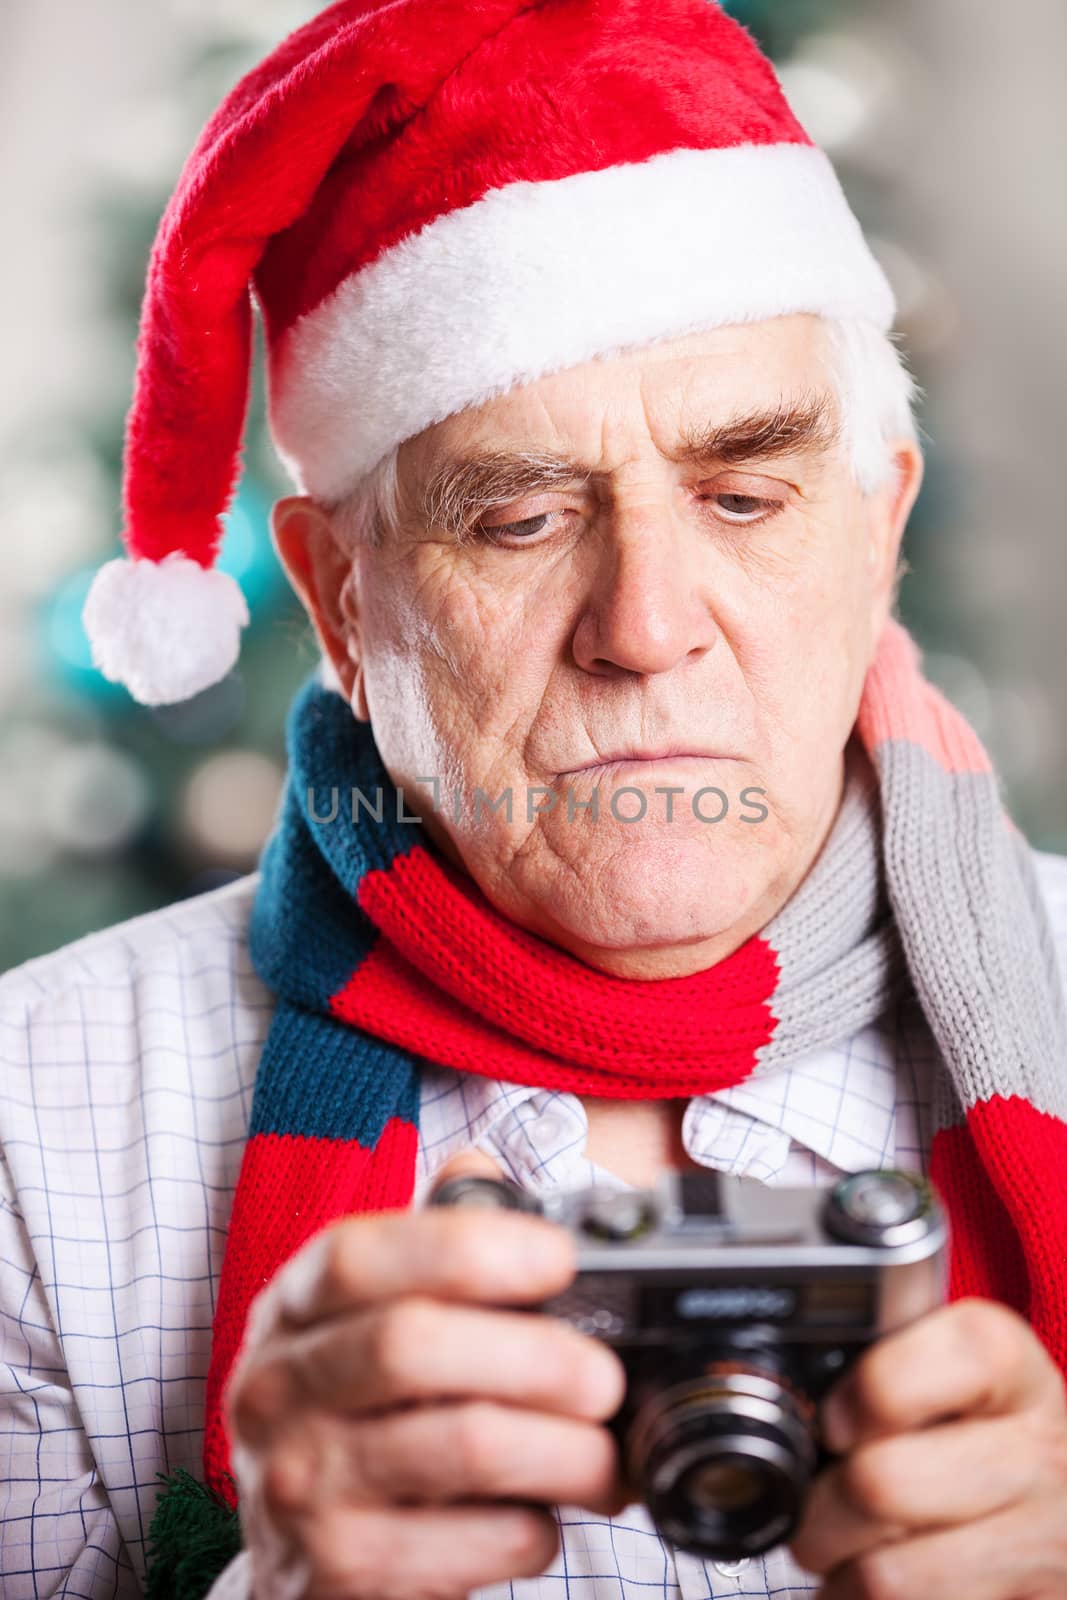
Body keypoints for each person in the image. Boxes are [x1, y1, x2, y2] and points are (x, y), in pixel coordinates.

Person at [2, 2, 1066, 1598]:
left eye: (747, 494)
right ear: (343, 603)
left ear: (879, 532)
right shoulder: (30, 1129)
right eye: (515, 517)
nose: (644, 625)